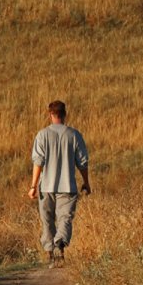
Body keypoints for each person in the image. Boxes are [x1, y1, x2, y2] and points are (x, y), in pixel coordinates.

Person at [28, 100, 90, 268]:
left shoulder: (42, 135)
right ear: (65, 114)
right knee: (65, 219)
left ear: (50, 115)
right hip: (67, 186)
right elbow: (83, 163)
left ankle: (49, 252)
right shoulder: (74, 135)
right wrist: (86, 183)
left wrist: (33, 186)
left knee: (47, 219)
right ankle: (60, 245)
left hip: (46, 185)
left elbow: (38, 162)